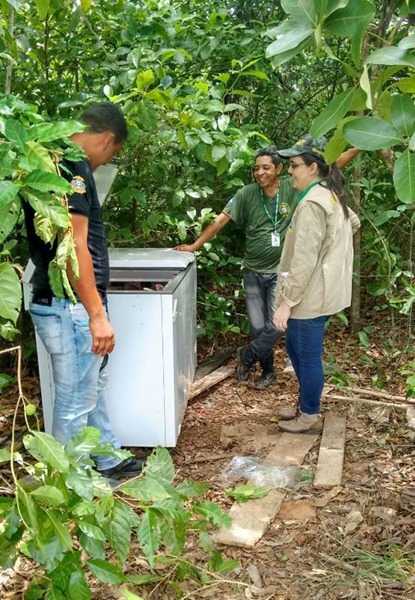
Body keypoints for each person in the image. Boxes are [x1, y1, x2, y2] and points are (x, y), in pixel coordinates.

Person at [24, 102, 144, 479]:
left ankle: (106, 457)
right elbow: (75, 245)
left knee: (90, 383)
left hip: (65, 301)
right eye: (113, 154)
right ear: (108, 140)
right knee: (75, 397)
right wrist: (96, 314)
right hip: (68, 303)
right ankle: (69, 482)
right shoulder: (72, 165)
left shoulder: (49, 156)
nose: (106, 161)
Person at [175, 145, 358, 389]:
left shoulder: (293, 188)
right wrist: (195, 245)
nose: (260, 173)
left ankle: (248, 355)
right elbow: (220, 221)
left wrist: (360, 143)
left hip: (279, 273)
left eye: (266, 168)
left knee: (275, 325)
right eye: (256, 168)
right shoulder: (247, 194)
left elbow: (333, 164)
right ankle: (268, 371)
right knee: (257, 327)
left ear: (279, 169)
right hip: (252, 271)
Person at [273, 133, 360, 434]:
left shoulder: (313, 201)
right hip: (317, 290)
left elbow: (304, 260)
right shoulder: (330, 194)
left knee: (306, 356)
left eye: (295, 165)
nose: (290, 171)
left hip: (309, 295)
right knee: (297, 353)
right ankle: (305, 403)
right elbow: (353, 222)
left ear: (313, 167)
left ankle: (309, 413)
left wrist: (287, 302)